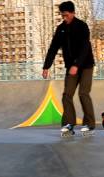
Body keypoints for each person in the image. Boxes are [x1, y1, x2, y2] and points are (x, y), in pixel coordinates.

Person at [42, 1, 95, 134]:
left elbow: (85, 48)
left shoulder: (82, 26)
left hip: (86, 65)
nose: (64, 18)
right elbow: (53, 47)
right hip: (71, 67)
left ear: (72, 13)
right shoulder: (61, 29)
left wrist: (77, 65)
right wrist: (46, 66)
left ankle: (89, 124)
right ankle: (68, 124)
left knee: (83, 93)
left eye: (66, 15)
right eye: (62, 16)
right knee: (67, 95)